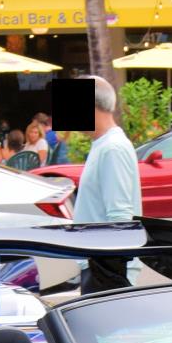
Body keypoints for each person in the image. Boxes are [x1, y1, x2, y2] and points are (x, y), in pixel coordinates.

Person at [72, 76, 139, 294]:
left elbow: (120, 215)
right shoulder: (104, 145)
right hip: (99, 263)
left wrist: (112, 274)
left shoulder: (112, 148)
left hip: (106, 268)